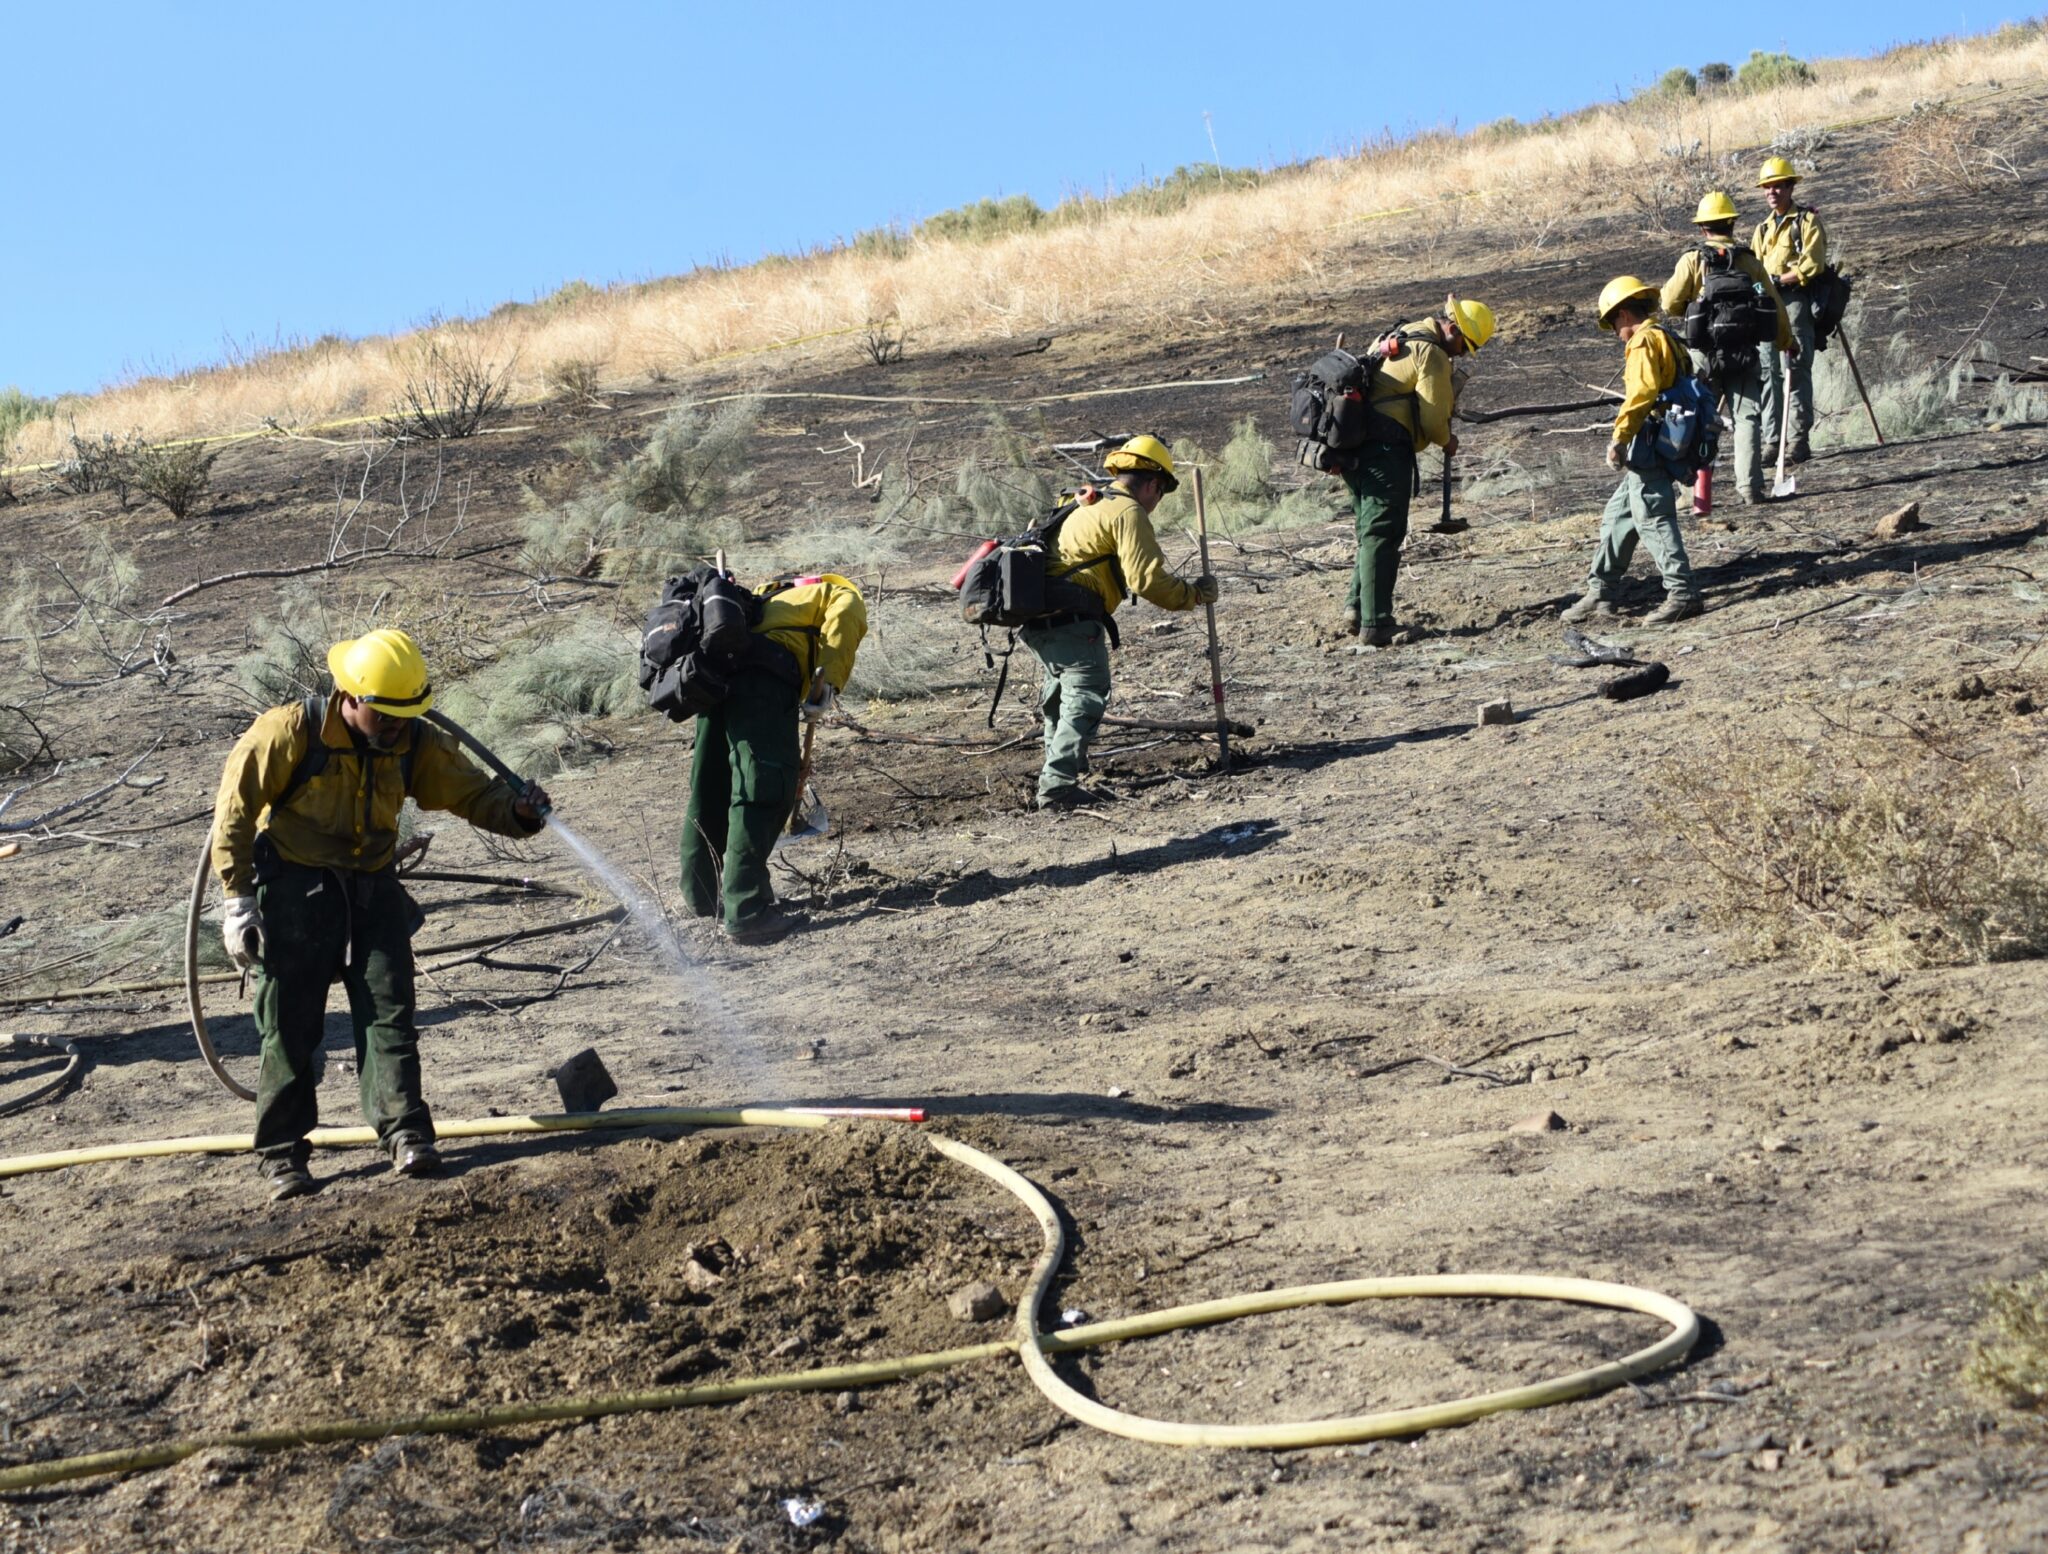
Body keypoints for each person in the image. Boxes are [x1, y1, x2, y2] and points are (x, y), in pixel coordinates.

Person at [211, 629, 552, 1201]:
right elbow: (236, 814)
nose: (397, 727)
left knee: (389, 1013)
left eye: (406, 716)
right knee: (290, 1025)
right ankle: (281, 1157)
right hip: (296, 890)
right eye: (386, 716)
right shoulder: (288, 732)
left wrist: (516, 811)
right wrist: (238, 902)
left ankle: (406, 1134)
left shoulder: (412, 741)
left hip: (372, 887)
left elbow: (468, 791)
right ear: (351, 698)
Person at [1020, 434, 1216, 811]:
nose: (1157, 503)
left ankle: (1065, 768)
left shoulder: (1083, 502)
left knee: (1060, 697)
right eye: (1160, 493)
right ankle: (1058, 786)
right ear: (1153, 484)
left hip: (1038, 618)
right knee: (1085, 696)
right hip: (1074, 618)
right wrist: (1193, 594)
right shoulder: (1126, 511)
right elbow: (1146, 581)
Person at [681, 571, 866, 943]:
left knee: (712, 785)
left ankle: (703, 896)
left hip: (714, 678)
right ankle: (748, 912)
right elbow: (847, 615)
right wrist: (828, 683)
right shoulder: (832, 591)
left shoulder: (754, 602)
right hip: (762, 680)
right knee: (762, 785)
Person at [1341, 296, 1495, 645]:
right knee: (1384, 533)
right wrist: (1447, 441)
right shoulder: (1433, 354)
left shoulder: (1400, 333)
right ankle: (1376, 624)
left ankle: (1356, 607)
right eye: (1465, 346)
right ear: (1452, 328)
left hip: (1353, 447)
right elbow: (1432, 416)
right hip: (1384, 451)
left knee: (1369, 531)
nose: (1462, 355)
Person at [1560, 278, 1702, 626]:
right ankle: (1601, 591)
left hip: (1650, 444)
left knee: (1652, 517)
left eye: (1613, 323)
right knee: (1619, 516)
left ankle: (1683, 594)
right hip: (1664, 442)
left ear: (1623, 313)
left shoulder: (1643, 342)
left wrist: (1619, 439)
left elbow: (1641, 395)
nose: (1614, 332)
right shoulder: (1667, 337)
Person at [1661, 191, 1797, 505]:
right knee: (1747, 417)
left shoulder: (1693, 260)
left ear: (1702, 228)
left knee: (1694, 418)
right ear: (1732, 223)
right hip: (1745, 351)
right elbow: (1774, 305)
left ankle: (1694, 495)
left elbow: (1668, 303)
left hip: (1703, 355)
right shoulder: (1748, 260)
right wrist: (1787, 342)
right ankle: (1750, 489)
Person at [1751, 156, 1828, 465]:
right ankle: (1773, 441)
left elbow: (1813, 264)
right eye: (1767, 187)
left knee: (1795, 371)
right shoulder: (1762, 229)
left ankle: (1798, 440)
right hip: (1767, 306)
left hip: (1795, 302)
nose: (1772, 192)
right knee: (1769, 374)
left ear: (1790, 186)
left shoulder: (1806, 221)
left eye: (1778, 186)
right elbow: (1755, 267)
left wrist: (1778, 280)